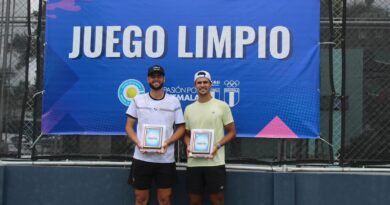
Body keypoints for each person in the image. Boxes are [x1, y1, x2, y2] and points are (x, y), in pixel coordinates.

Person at [125, 65, 185, 205]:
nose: (156, 79)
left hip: (165, 159)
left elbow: (181, 128)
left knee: (165, 199)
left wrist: (167, 142)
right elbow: (128, 127)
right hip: (141, 158)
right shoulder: (138, 100)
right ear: (148, 79)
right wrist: (138, 142)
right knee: (141, 199)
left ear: (163, 79)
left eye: (159, 76)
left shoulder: (173, 101)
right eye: (153, 76)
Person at [183, 70, 236, 205]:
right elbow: (185, 133)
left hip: (215, 162)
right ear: (195, 85)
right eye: (199, 82)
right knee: (194, 201)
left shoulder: (222, 106)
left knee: (217, 201)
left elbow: (231, 132)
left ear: (210, 84)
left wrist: (216, 146)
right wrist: (189, 144)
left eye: (205, 82)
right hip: (194, 163)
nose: (202, 85)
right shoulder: (189, 109)